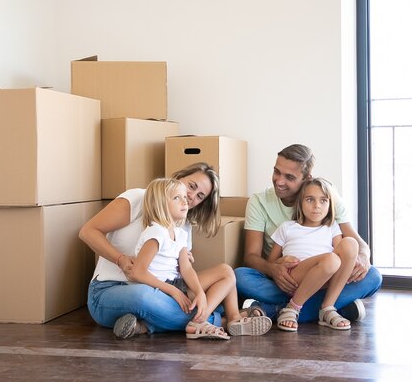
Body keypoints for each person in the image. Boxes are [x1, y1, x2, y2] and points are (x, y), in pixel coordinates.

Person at [79, 162, 270, 339]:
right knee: (144, 296)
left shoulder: (182, 226)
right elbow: (88, 231)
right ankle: (221, 320)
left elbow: (181, 272)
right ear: (179, 177)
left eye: (200, 196)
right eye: (192, 186)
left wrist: (198, 292)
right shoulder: (139, 198)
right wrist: (120, 259)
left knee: (221, 277)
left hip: (163, 288)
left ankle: (149, 325)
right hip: (112, 290)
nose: (191, 197)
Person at [235, 144, 382, 323]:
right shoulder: (260, 202)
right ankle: (334, 308)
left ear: (306, 178)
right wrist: (273, 269)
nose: (279, 181)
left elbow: (355, 243)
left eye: (289, 177)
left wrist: (364, 256)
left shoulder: (328, 197)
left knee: (373, 277)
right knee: (240, 276)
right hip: (284, 281)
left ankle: (272, 310)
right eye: (276, 172)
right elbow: (250, 257)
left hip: (327, 277)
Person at [125, 177, 272, 340]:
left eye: (183, 196)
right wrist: (174, 291)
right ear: (160, 204)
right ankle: (208, 320)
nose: (185, 201)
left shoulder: (179, 233)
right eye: (176, 198)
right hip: (162, 288)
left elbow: (186, 268)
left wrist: (200, 293)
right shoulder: (156, 233)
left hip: (176, 284)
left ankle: (233, 318)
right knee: (226, 273)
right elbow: (137, 272)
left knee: (227, 276)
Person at [270, 177, 358, 331]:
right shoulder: (288, 227)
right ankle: (292, 308)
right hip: (295, 276)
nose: (317, 206)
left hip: (326, 279)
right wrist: (280, 262)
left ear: (330, 204)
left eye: (323, 200)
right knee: (331, 259)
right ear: (300, 203)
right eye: (310, 200)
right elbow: (270, 263)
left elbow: (342, 256)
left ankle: (327, 307)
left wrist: (353, 262)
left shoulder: (332, 227)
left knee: (351, 244)